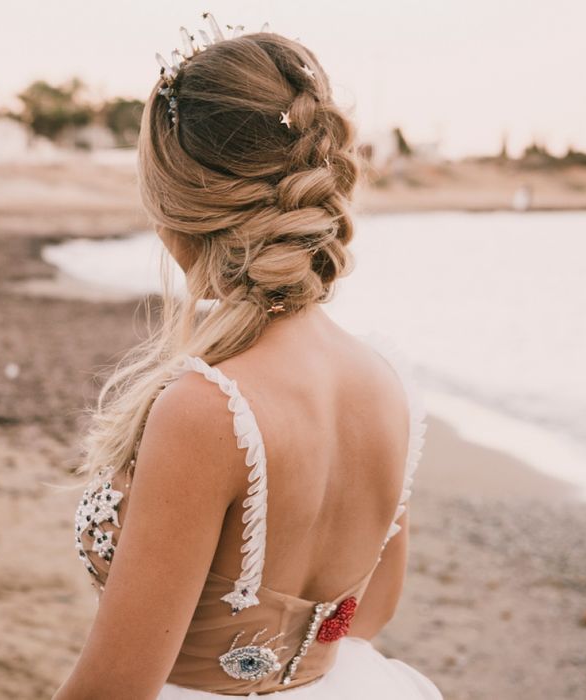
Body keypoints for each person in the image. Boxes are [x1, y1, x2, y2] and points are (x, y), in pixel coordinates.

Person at [54, 15, 442, 700]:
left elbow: (112, 689)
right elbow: (368, 615)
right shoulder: (389, 382)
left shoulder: (207, 410)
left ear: (177, 209)